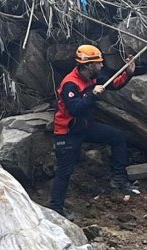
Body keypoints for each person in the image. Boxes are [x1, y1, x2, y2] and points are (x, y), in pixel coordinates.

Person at [48, 44, 138, 217]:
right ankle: (56, 209)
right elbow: (75, 109)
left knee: (117, 137)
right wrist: (92, 95)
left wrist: (129, 73)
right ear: (89, 65)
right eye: (99, 63)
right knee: (64, 172)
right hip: (67, 132)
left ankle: (119, 179)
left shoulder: (93, 77)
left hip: (85, 127)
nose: (102, 65)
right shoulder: (70, 84)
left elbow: (114, 84)